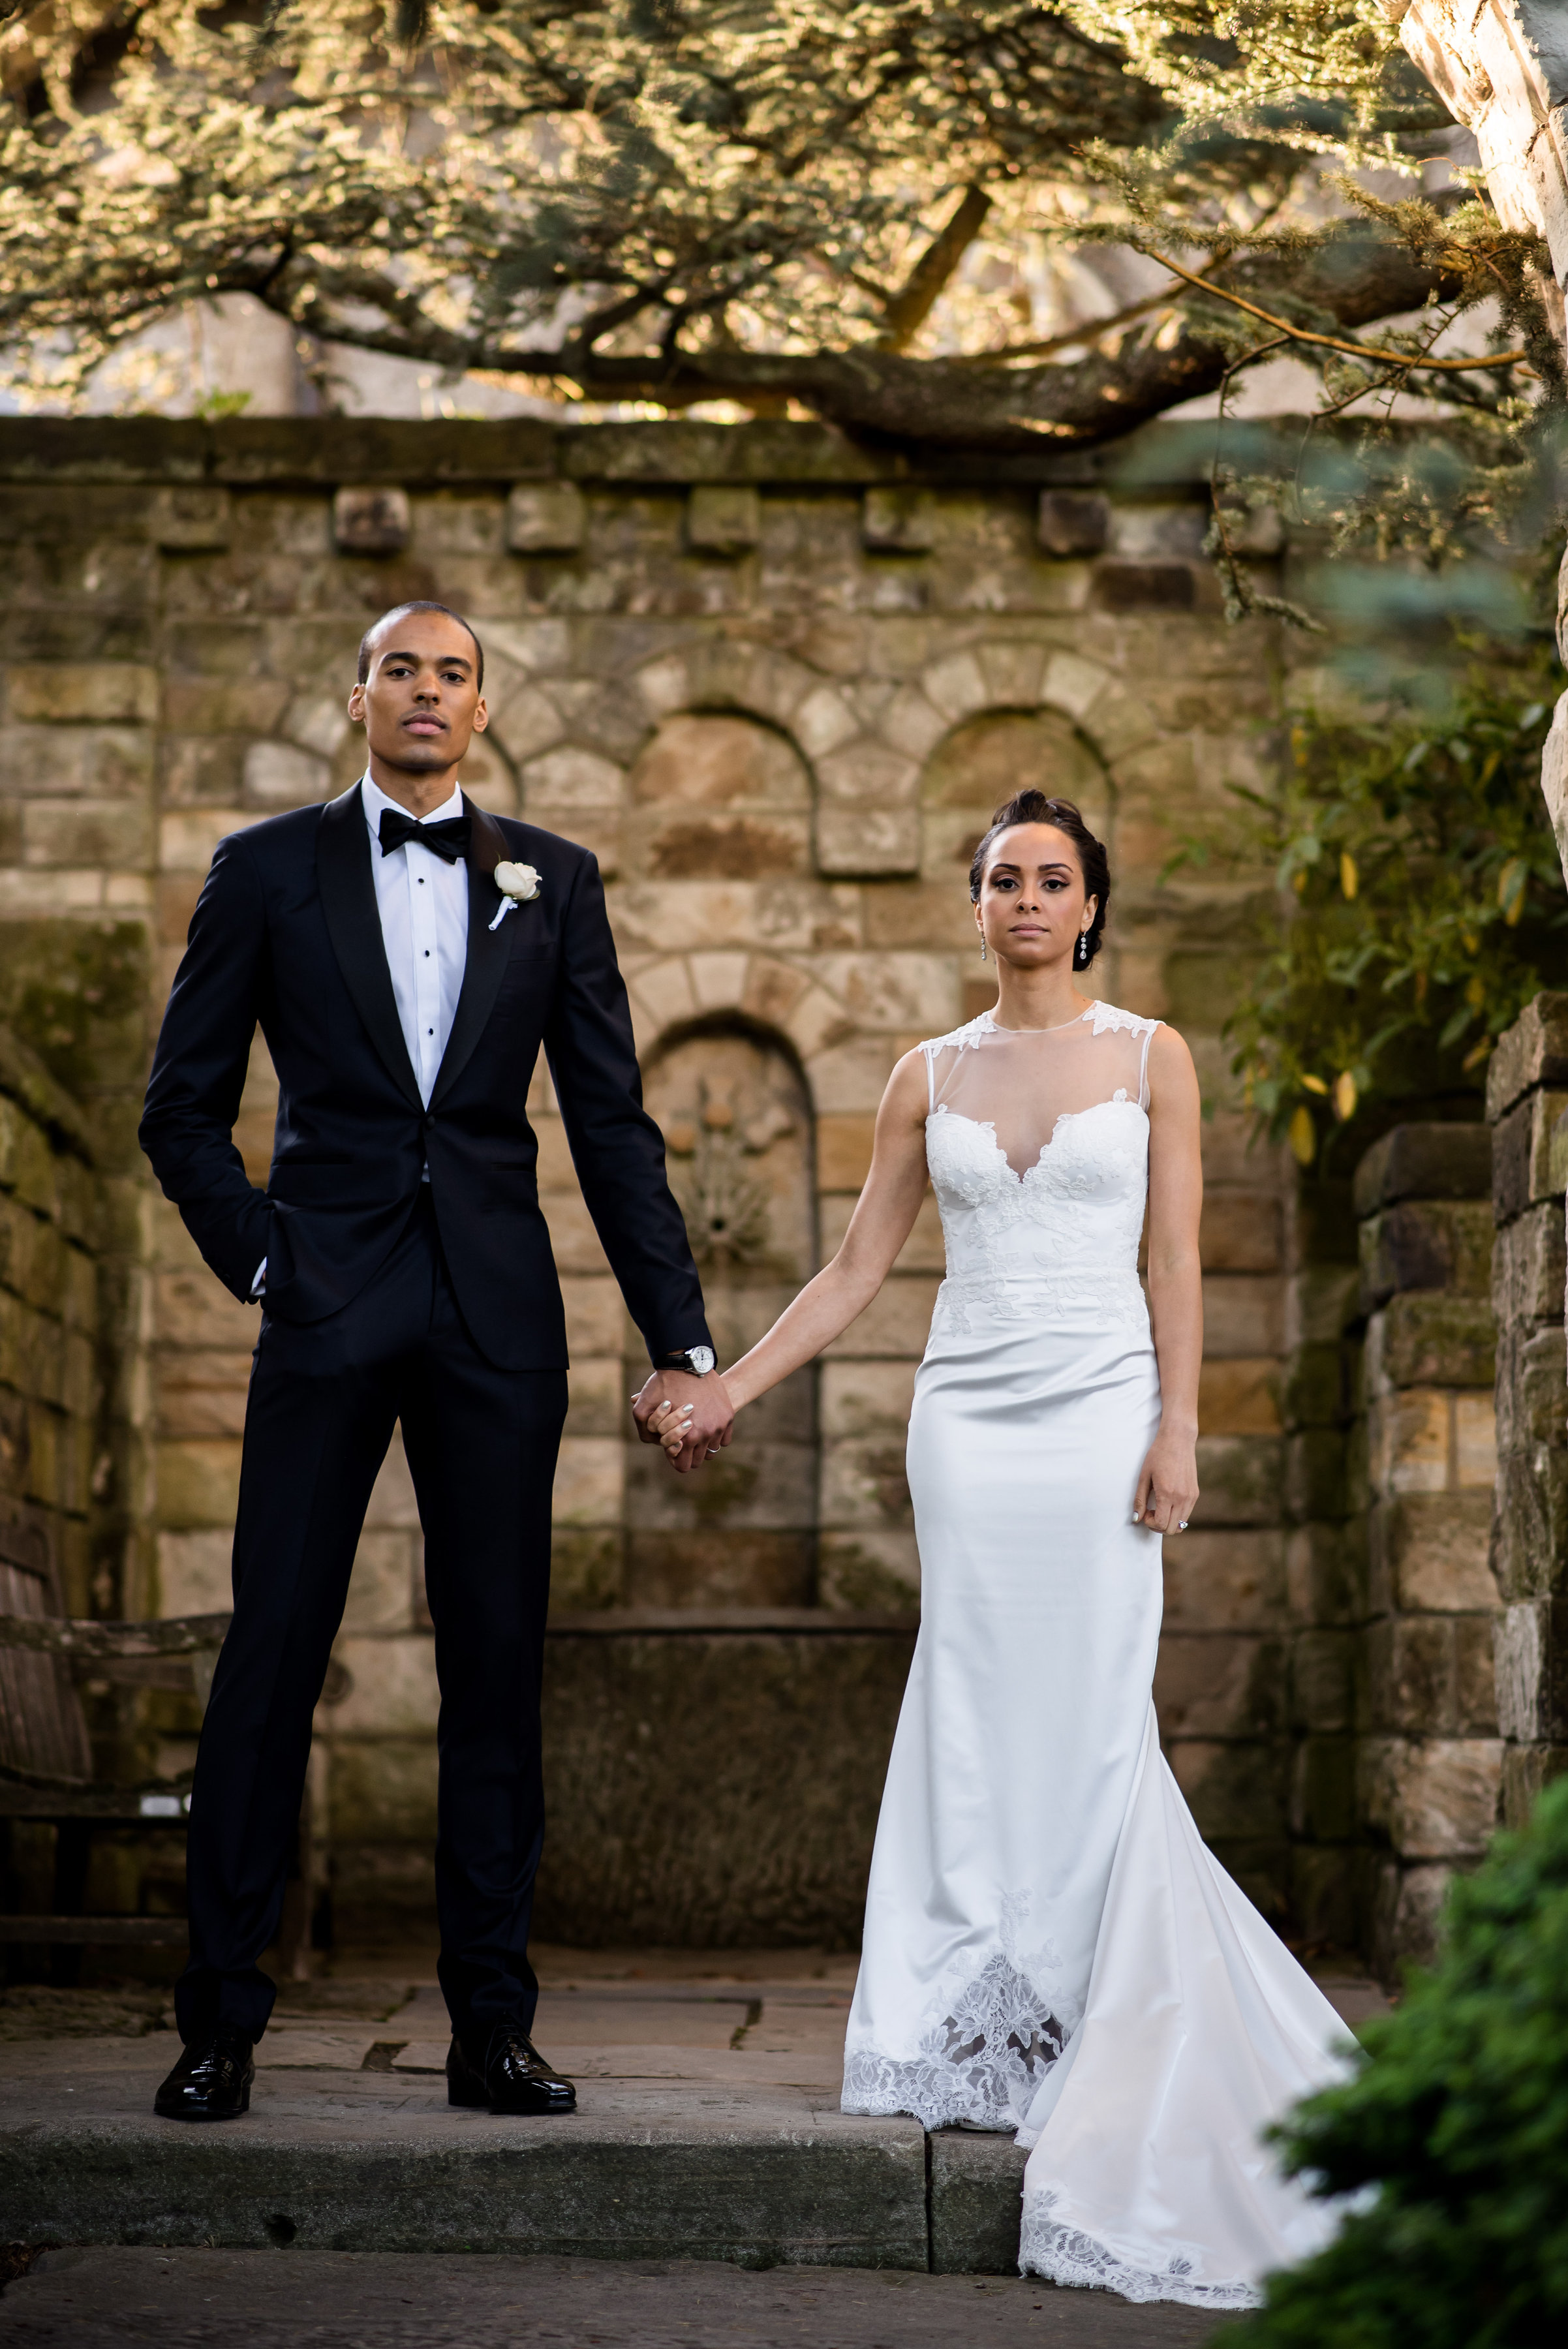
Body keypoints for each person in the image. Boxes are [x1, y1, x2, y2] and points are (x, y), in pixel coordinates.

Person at [641, 788, 1348, 2308]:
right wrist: (724, 1389)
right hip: (963, 1428)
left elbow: (1174, 1258)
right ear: (974, 907)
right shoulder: (923, 1075)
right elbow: (850, 1274)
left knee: (1093, 1721)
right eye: (1002, 879)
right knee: (967, 1711)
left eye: (1052, 879)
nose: (1027, 899)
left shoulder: (1152, 1056)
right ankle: (958, 2025)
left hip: (1100, 1422)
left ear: (1089, 907)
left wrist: (1179, 1429)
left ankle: (1099, 2021)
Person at [140, 600, 731, 2123]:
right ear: (359, 698)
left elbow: (610, 1125)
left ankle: (491, 2030)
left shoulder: (556, 882)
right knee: (270, 1654)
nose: (426, 691)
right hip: (323, 1301)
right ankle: (217, 2025)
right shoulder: (265, 869)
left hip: (492, 1317)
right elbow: (181, 1108)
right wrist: (264, 1255)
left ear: (481, 710)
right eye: (400, 667)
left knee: (493, 1668)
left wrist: (684, 1337)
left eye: (452, 672)